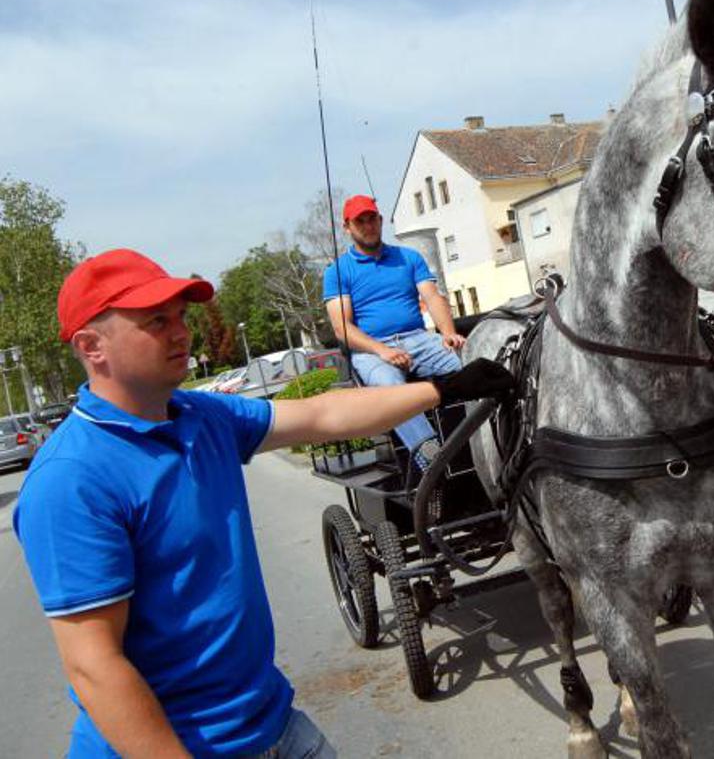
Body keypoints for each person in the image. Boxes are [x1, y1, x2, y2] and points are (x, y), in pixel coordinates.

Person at [14, 249, 514, 757]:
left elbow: (322, 414)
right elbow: (94, 667)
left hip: (272, 724)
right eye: (156, 321)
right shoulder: (71, 479)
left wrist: (444, 387)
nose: (181, 332)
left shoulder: (201, 415)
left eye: (181, 317)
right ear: (91, 346)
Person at [323, 195, 463, 467]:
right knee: (391, 389)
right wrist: (383, 351)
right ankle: (431, 457)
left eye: (371, 219)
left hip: (419, 339)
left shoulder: (408, 258)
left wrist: (447, 333)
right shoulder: (337, 272)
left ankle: (488, 437)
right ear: (347, 227)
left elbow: (433, 298)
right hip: (371, 351)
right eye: (359, 221)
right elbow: (342, 327)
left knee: (467, 363)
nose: (367, 226)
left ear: (380, 220)